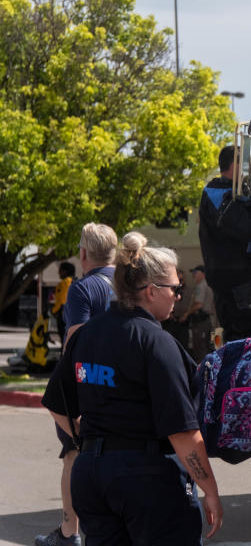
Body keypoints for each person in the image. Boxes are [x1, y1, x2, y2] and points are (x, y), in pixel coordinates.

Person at [40, 231, 223, 544]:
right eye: (175, 288)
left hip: (92, 476)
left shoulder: (86, 335)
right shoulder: (157, 342)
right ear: (151, 291)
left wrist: (92, 442)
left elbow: (56, 403)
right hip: (146, 480)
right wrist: (211, 490)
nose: (178, 295)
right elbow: (182, 433)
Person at [36, 223, 117, 546]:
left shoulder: (84, 289)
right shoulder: (130, 284)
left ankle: (70, 531)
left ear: (83, 254)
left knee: (74, 453)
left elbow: (74, 339)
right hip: (124, 382)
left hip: (89, 382)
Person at [198, 145, 251, 342]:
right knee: (246, 335)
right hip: (234, 276)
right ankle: (242, 372)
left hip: (230, 273)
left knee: (240, 333)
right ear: (235, 165)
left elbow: (238, 209)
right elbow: (242, 226)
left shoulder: (226, 192)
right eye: (248, 165)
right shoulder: (216, 193)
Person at [50, 262, 75, 344]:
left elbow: (62, 301)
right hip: (73, 316)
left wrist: (53, 311)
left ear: (65, 271)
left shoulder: (64, 283)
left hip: (63, 316)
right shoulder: (76, 281)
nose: (58, 272)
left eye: (60, 270)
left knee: (64, 341)